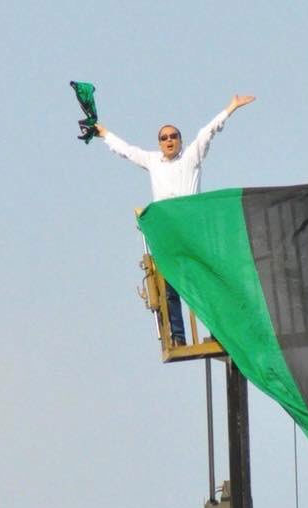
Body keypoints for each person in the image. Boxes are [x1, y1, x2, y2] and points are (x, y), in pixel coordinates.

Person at [96, 94, 255, 346]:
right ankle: (178, 336)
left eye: (173, 136)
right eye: (164, 138)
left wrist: (231, 107)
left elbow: (208, 131)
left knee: (205, 281)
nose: (169, 140)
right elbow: (126, 151)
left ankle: (218, 332)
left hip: (193, 230)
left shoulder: (191, 156)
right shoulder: (153, 161)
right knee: (170, 286)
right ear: (159, 143)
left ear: (180, 140)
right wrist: (104, 133)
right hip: (169, 233)